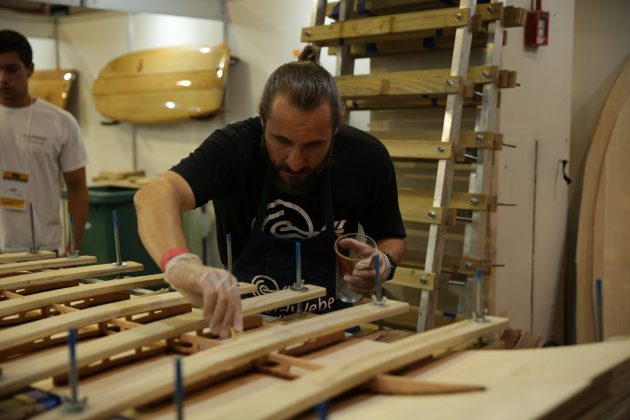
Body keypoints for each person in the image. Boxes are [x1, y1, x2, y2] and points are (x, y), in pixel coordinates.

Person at [135, 46, 406, 338]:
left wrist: (383, 263)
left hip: (334, 327)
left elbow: (391, 236)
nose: (295, 161)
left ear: (335, 129)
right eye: (282, 141)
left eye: (314, 145)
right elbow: (154, 194)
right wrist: (180, 265)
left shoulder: (366, 157)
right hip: (247, 323)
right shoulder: (234, 148)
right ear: (263, 121)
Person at [0, 30, 88, 254]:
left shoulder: (60, 122)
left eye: (11, 69)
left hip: (43, 250)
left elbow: (77, 188)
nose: (2, 78)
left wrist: (73, 247)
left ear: (29, 69)